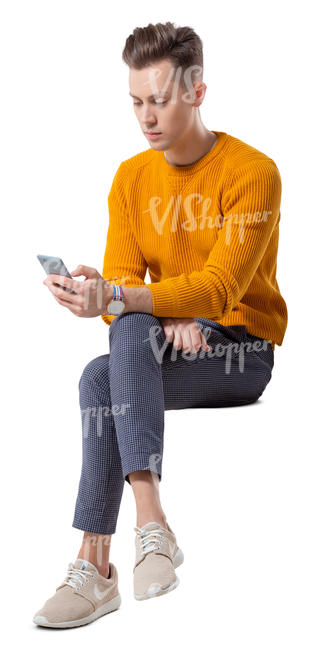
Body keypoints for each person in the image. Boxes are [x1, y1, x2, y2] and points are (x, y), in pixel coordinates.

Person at [33, 21, 288, 628]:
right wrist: (106, 296)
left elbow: (221, 290)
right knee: (106, 365)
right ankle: (124, 543)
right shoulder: (129, 179)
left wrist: (140, 302)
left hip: (240, 349)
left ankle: (123, 547)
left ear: (197, 92)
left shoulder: (254, 173)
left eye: (160, 99)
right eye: (137, 102)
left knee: (122, 332)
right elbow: (124, 302)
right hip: (164, 345)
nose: (146, 116)